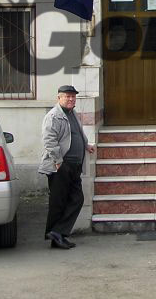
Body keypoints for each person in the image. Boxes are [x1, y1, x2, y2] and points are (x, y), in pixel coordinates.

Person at [38, 84, 95, 249]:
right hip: (61, 165)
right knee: (59, 202)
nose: (71, 99)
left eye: (73, 96)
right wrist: (58, 161)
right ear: (59, 98)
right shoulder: (53, 116)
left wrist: (86, 145)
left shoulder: (72, 113)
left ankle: (58, 233)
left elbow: (77, 133)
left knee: (77, 199)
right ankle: (57, 236)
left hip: (74, 166)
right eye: (67, 96)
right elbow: (49, 140)